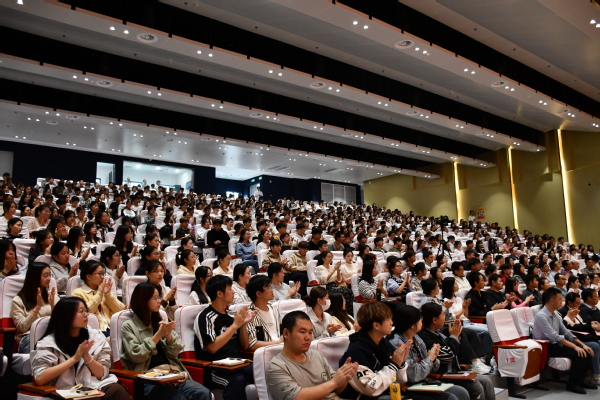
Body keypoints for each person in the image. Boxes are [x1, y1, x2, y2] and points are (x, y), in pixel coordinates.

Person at [120, 283, 211, 400]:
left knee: (203, 393)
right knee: (178, 398)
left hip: (171, 373)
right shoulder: (129, 326)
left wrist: (168, 336)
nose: (159, 301)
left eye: (159, 297)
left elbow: (176, 353)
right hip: (148, 379)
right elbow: (136, 356)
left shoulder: (161, 321)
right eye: (155, 298)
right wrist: (158, 335)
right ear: (142, 300)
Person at [30, 297, 130, 400]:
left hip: (93, 384)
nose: (86, 314)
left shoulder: (95, 337)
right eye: (81, 311)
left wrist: (87, 357)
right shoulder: (48, 343)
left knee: (117, 390)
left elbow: (101, 374)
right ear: (66, 315)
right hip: (64, 390)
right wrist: (74, 359)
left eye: (86, 310)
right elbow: (40, 378)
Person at [266, 311, 359, 400]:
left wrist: (344, 378)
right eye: (302, 332)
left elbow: (337, 389)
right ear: (286, 333)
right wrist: (334, 383)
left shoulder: (316, 355)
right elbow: (297, 397)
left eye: (310, 332)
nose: (308, 338)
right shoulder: (276, 367)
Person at [388, 305, 471, 400]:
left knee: (461, 392)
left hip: (425, 381)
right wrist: (429, 358)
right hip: (409, 387)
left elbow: (432, 369)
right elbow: (412, 375)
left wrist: (434, 358)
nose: (422, 321)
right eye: (419, 319)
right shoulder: (398, 344)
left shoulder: (417, 338)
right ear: (412, 325)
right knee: (450, 397)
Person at [193, 275, 256, 400]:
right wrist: (235, 325)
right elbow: (212, 348)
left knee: (263, 370)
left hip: (238, 364)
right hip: (215, 369)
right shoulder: (205, 317)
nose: (234, 292)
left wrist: (243, 324)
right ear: (219, 293)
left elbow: (245, 346)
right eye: (230, 288)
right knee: (238, 380)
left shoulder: (232, 315)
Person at [417, 303, 496, 400]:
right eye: (443, 315)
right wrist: (454, 336)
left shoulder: (439, 333)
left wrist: (456, 335)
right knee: (475, 386)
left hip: (453, 372)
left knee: (486, 381)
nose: (445, 317)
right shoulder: (424, 337)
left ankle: (475, 361)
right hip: (441, 376)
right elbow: (448, 355)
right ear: (434, 320)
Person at [338, 302, 413, 400]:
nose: (392, 322)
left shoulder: (383, 342)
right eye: (388, 319)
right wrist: (394, 365)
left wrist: (401, 362)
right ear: (376, 325)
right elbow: (371, 389)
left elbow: (401, 381)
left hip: (388, 393)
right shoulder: (357, 349)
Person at [532, 287, 595, 394]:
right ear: (552, 301)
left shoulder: (555, 314)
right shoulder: (541, 316)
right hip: (547, 346)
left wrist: (582, 345)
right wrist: (575, 347)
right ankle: (572, 384)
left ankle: (581, 381)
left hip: (557, 345)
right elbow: (554, 336)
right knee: (578, 353)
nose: (562, 301)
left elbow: (566, 332)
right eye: (560, 299)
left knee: (586, 351)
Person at [11, 262, 58, 353]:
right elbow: (22, 328)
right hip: (29, 337)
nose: (49, 278)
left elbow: (60, 322)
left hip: (50, 335)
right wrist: (37, 308)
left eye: (50, 275)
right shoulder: (18, 300)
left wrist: (53, 307)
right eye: (45, 276)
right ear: (34, 277)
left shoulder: (52, 297)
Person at [72, 260, 125, 335]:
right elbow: (85, 313)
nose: (102, 277)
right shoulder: (77, 293)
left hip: (112, 328)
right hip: (94, 332)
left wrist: (107, 295)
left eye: (103, 273)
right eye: (99, 274)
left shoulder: (104, 290)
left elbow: (121, 310)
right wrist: (99, 293)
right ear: (88, 276)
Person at [557, 292, 600, 384]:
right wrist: (589, 326)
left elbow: (581, 324)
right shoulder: (562, 313)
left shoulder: (575, 309)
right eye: (577, 303)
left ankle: (592, 373)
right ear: (569, 303)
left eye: (579, 303)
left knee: (597, 342)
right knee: (594, 345)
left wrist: (590, 324)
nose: (579, 305)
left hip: (579, 336)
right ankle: (595, 375)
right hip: (569, 339)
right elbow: (567, 329)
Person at [241, 275, 283, 351]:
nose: (272, 290)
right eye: (268, 287)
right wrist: (278, 342)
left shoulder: (274, 310)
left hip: (281, 349)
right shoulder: (249, 314)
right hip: (264, 352)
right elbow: (252, 344)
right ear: (259, 294)